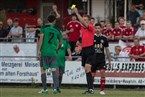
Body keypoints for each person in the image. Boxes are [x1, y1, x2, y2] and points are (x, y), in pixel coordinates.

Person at [72, 7, 95, 94]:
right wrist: (78, 44)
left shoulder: (91, 27)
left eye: (86, 20)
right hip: (84, 50)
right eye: (83, 19)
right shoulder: (82, 29)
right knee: (86, 70)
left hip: (90, 50)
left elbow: (84, 24)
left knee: (87, 68)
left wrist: (77, 13)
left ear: (89, 21)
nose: (84, 21)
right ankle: (90, 88)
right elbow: (82, 38)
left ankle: (91, 89)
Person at [38, 15, 62, 94]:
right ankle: (55, 89)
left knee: (42, 70)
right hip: (53, 52)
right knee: (54, 70)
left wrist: (39, 50)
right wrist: (57, 49)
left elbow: (41, 39)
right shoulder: (57, 29)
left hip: (44, 52)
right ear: (54, 21)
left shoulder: (43, 28)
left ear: (47, 20)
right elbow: (60, 42)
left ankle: (45, 89)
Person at [91, 23, 111, 95]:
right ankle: (91, 89)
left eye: (99, 28)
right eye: (96, 28)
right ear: (94, 29)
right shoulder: (92, 37)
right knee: (92, 75)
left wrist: (109, 60)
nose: (97, 30)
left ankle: (102, 90)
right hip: (93, 59)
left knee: (102, 72)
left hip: (101, 59)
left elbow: (107, 50)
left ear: (101, 29)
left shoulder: (104, 38)